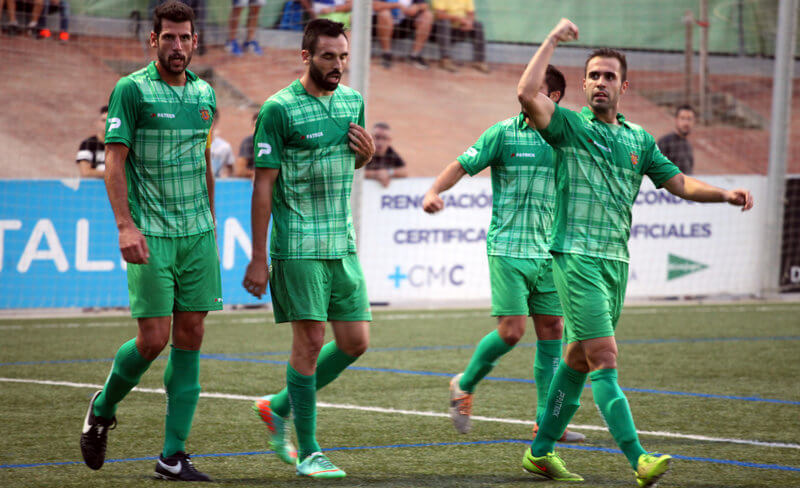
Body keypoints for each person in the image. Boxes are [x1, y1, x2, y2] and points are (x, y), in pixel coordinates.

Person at [515, 18, 753, 487]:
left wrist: (723, 193)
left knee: (578, 360)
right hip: (575, 256)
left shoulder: (638, 140)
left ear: (625, 85)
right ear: (583, 84)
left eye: (609, 76)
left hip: (615, 263)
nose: (601, 82)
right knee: (604, 357)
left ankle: (540, 453)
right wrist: (553, 39)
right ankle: (639, 458)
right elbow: (526, 93)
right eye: (594, 76)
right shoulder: (567, 127)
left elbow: (679, 183)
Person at [79, 1, 221, 481]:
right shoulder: (131, 90)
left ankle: (172, 456)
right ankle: (103, 407)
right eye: (168, 38)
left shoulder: (206, 93)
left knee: (192, 336)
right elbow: (113, 163)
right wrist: (124, 225)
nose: (177, 46)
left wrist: (213, 221)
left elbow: (202, 161)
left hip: (198, 233)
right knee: (153, 339)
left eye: (184, 38)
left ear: (195, 42)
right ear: (153, 40)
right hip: (151, 231)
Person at [422, 65, 584, 444]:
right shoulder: (503, 133)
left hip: (551, 252)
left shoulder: (570, 136)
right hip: (508, 248)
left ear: (554, 97)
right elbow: (461, 165)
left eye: (534, 87)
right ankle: (464, 384)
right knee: (512, 332)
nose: (522, 92)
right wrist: (434, 191)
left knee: (553, 331)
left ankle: (546, 421)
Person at [243, 18, 374, 479]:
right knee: (311, 341)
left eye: (342, 56)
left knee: (356, 342)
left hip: (342, 241)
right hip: (297, 243)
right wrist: (259, 257)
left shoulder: (353, 101)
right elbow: (262, 187)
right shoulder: (279, 110)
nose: (337, 65)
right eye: (327, 57)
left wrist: (366, 156)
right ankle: (310, 450)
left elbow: (347, 162)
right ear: (305, 57)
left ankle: (277, 406)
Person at [432, 0, 488, 73]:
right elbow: (440, 15)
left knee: (478, 25)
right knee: (444, 22)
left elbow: (471, 13)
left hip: (459, 29)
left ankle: (479, 61)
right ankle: (445, 60)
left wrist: (469, 23)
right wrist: (458, 18)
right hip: (440, 32)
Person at [373, 0, 433, 69]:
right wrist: (397, 5)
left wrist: (417, 7)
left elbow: (425, 5)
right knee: (384, 13)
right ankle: (386, 54)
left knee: (427, 15)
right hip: (382, 25)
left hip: (404, 26)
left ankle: (414, 55)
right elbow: (375, 5)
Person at [364, 122, 408, 187]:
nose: (380, 142)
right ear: (370, 137)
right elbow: (354, 173)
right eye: (377, 137)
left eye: (384, 138)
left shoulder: (391, 153)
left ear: (389, 140)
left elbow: (404, 171)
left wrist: (389, 172)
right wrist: (376, 174)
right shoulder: (364, 152)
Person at [657, 104, 696, 174]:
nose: (686, 123)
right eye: (682, 118)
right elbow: (658, 172)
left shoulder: (688, 145)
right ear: (676, 120)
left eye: (689, 119)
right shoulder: (665, 142)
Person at [76, 106, 108, 179]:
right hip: (96, 187)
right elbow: (85, 172)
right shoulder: (88, 143)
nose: (107, 124)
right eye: (103, 120)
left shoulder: (121, 144)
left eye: (110, 121)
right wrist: (113, 174)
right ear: (98, 122)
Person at [210, 109, 234, 177]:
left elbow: (230, 169)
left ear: (215, 122)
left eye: (211, 121)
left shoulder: (224, 147)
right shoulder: (193, 146)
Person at [233, 113, 257, 178]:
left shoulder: (274, 142)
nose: (258, 129)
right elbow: (240, 171)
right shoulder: (248, 142)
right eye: (256, 125)